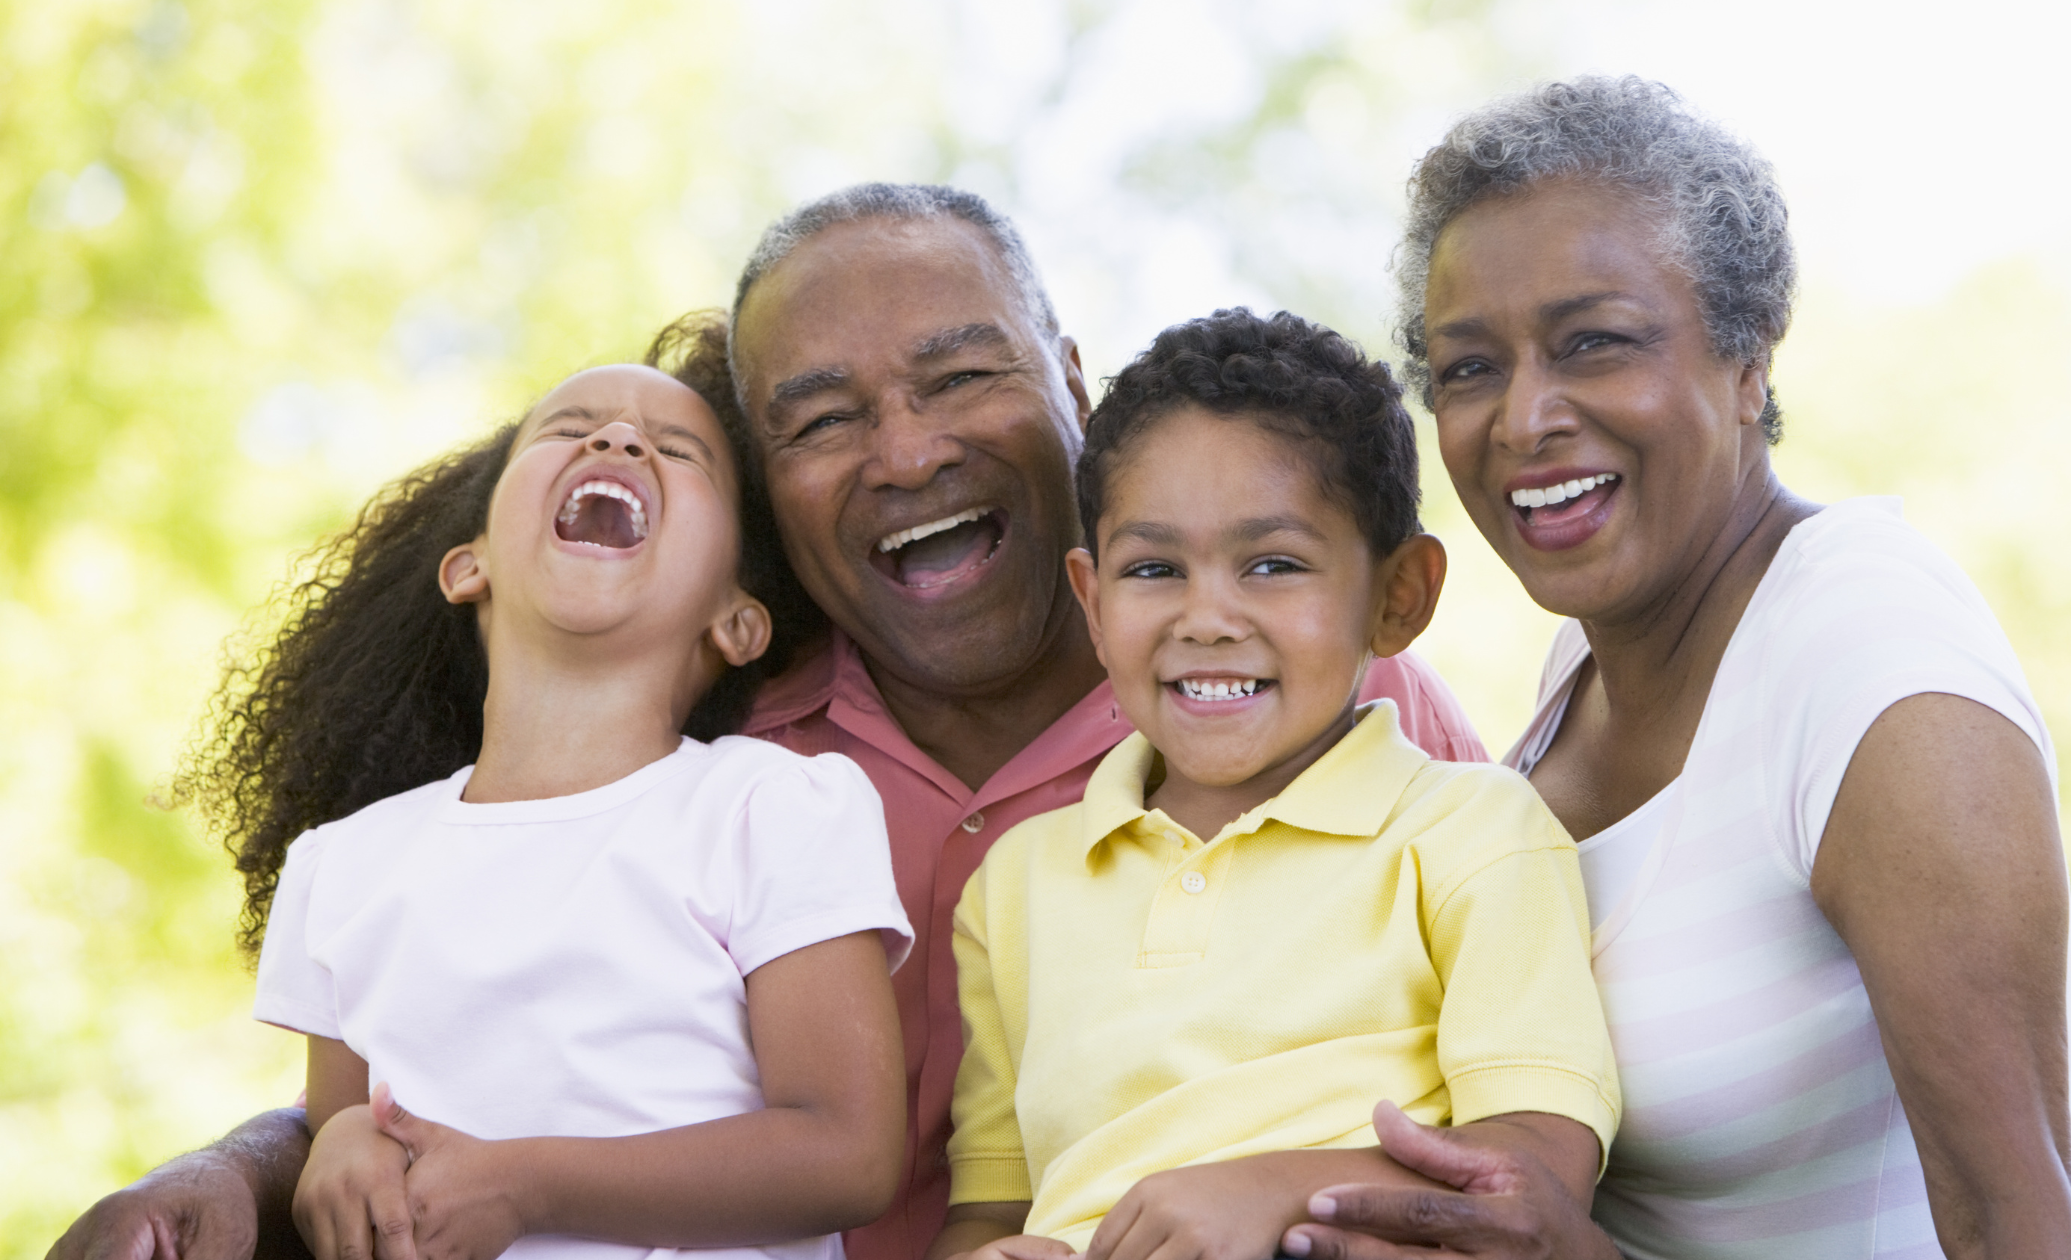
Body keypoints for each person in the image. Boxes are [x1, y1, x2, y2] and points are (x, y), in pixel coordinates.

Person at [49, 185, 1486, 1260]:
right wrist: (235, 1172)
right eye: (819, 421)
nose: (908, 450)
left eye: (960, 375)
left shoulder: (1330, 707)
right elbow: (431, 1078)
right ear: (763, 534)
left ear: (1071, 381)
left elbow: (1534, 1080)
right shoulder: (721, 760)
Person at [1280, 77, 2071, 1260]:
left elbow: (2018, 1232)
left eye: (1594, 344)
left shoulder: (1865, 653)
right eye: (1468, 368)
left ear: (1747, 363)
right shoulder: (1579, 665)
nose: (1523, 419)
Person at [203, 314, 913, 1260]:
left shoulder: (770, 808)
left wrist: (525, 1186)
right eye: (567, 427)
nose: (616, 440)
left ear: (737, 620)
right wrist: (338, 1145)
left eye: (677, 450)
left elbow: (848, 1154)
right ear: (470, 566)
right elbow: (349, 1132)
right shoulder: (342, 864)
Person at [927, 308, 1618, 1260]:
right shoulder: (1015, 888)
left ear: (1397, 596)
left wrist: (1278, 1191)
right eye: (1155, 567)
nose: (1207, 617)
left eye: (1273, 564)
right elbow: (993, 1212)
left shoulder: (1473, 833)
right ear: (1093, 601)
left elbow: (1534, 1178)